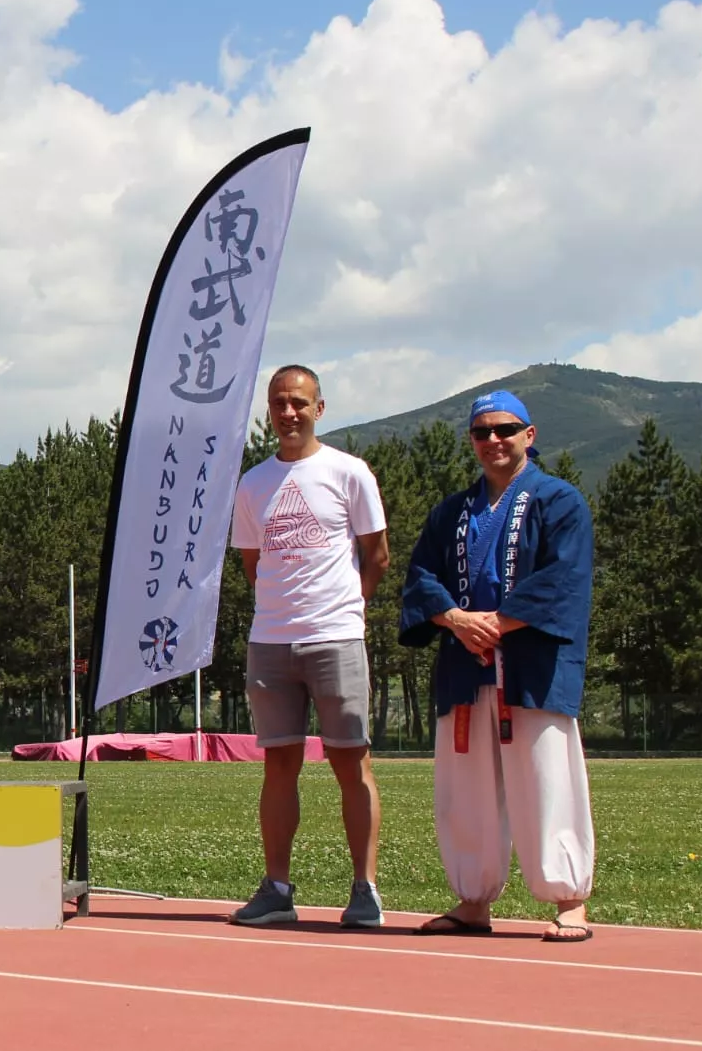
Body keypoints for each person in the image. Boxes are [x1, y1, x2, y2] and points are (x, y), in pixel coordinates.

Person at [400, 391, 596, 942]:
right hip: (465, 667)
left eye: (505, 430)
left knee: (546, 779)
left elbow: (562, 579)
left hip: (533, 667)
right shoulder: (450, 514)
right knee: (466, 789)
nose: (494, 441)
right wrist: (458, 620)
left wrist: (496, 623)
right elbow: (422, 579)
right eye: (482, 432)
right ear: (472, 440)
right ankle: (472, 899)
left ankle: (568, 898)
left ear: (529, 435)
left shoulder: (559, 502)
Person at [227, 366, 392, 928]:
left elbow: (378, 555)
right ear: (269, 412)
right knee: (279, 764)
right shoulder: (252, 484)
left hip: (336, 638)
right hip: (271, 641)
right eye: (278, 403)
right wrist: (286, 611)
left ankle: (364, 891)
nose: (288, 412)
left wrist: (346, 610)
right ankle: (277, 889)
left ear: (319, 408)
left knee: (351, 760)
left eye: (299, 402)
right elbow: (254, 564)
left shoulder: (349, 473)